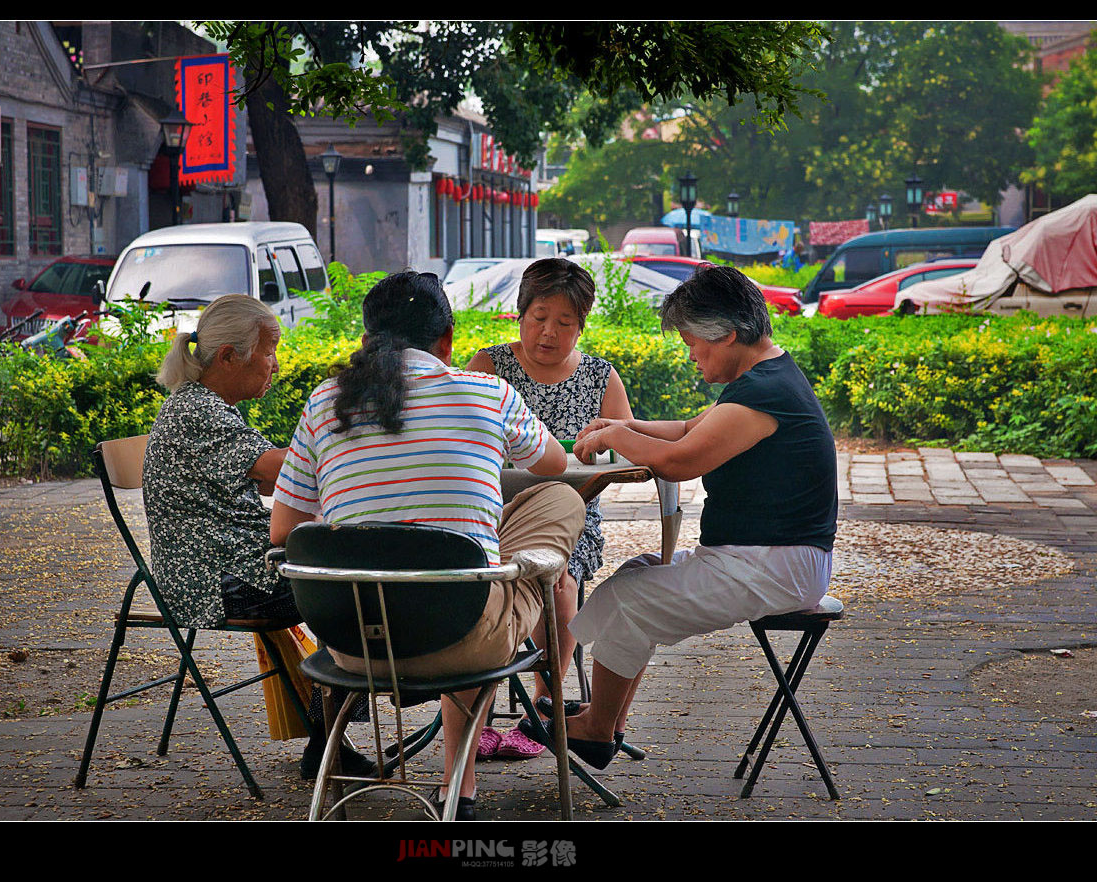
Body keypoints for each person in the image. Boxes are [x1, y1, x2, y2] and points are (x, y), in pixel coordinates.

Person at [269, 271, 585, 820]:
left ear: (367, 340)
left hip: (352, 642)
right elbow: (555, 466)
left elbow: (282, 533)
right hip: (466, 637)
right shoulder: (489, 393)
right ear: (448, 340)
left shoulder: (323, 403)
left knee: (459, 567)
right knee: (557, 503)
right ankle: (457, 789)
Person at [522, 263, 837, 770]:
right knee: (638, 574)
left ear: (729, 334)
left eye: (695, 343)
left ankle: (598, 728)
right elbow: (691, 427)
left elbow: (681, 460)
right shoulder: (767, 378)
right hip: (769, 561)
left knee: (631, 596)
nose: (692, 356)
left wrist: (613, 436)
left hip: (772, 566)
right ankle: (606, 721)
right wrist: (622, 423)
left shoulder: (763, 394)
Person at [141, 293, 372, 780]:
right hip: (215, 579)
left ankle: (328, 734)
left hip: (234, 563)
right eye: (269, 351)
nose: (276, 364)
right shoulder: (196, 412)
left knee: (356, 585)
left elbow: (273, 480)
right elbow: (282, 467)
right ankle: (326, 739)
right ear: (229, 356)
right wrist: (354, 444)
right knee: (358, 594)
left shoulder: (208, 407)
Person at [465, 257, 633, 759]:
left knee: (557, 582)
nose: (548, 333)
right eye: (539, 317)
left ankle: (544, 705)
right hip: (491, 514)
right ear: (519, 314)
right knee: (478, 581)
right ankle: (477, 709)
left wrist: (597, 458)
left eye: (564, 323)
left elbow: (624, 454)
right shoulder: (490, 366)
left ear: (582, 326)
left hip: (572, 518)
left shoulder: (601, 377)